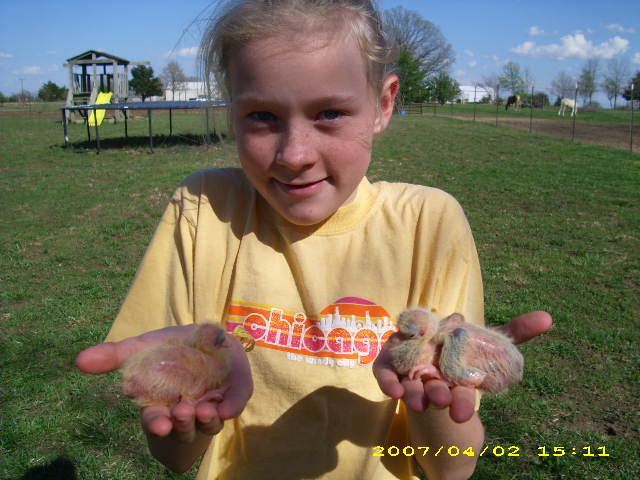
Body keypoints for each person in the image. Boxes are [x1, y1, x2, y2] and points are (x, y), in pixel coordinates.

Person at [76, 1, 552, 479]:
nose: (294, 154)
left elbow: (451, 469)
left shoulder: (428, 222)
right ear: (232, 112)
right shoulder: (205, 208)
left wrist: (430, 394)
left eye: (329, 112)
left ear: (383, 105)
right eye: (262, 116)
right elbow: (175, 459)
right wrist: (192, 410)